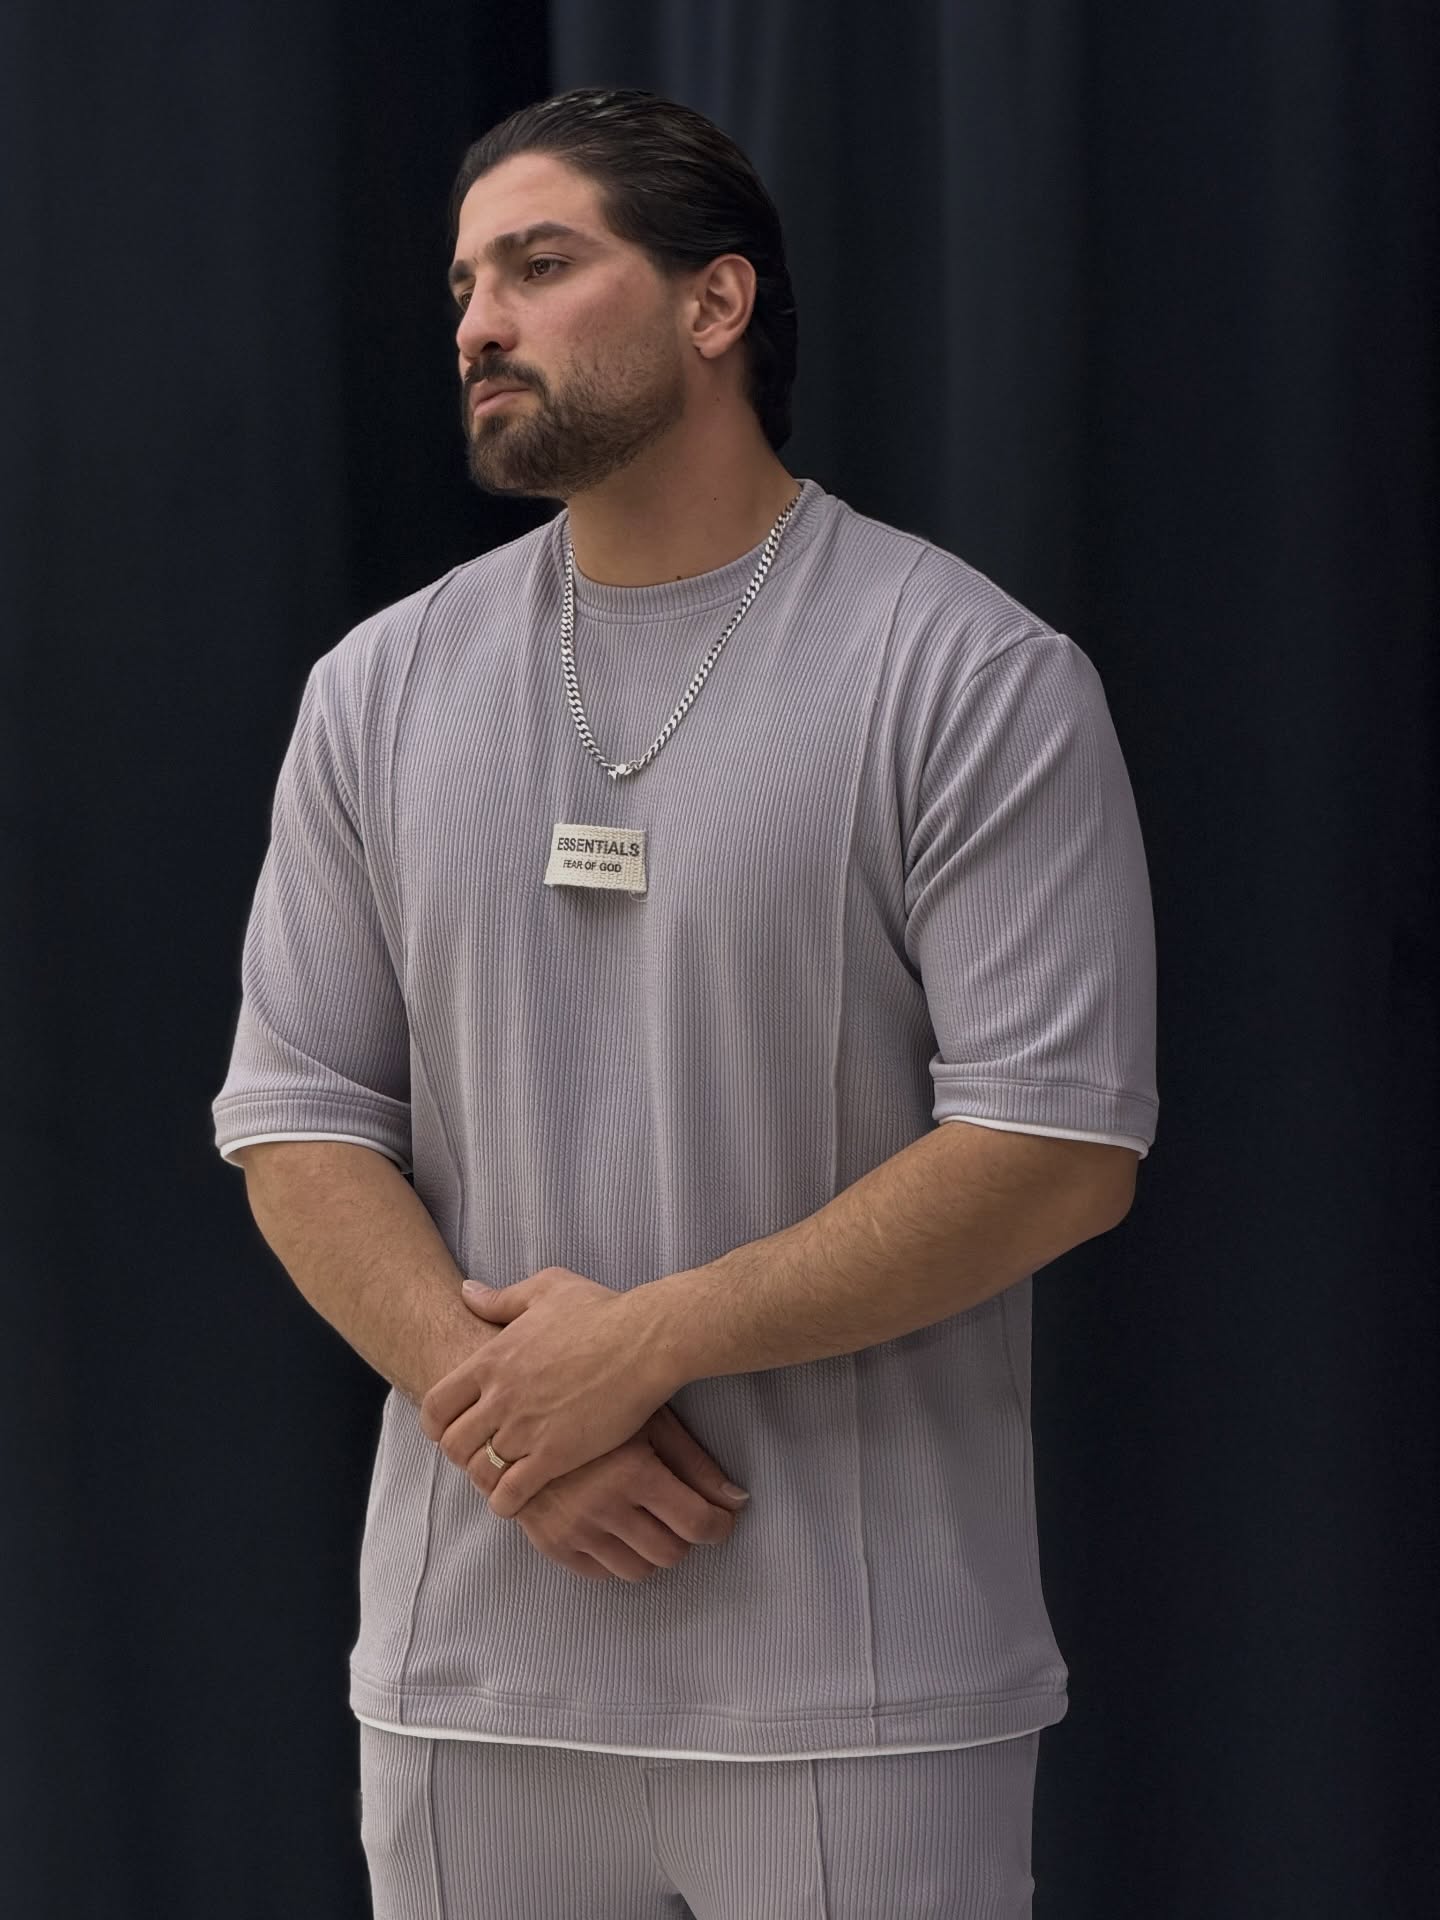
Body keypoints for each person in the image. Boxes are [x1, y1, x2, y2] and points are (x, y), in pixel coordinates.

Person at [212, 86, 1157, 1920]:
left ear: (714, 303)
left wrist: (642, 1345)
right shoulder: (379, 688)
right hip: (471, 1678)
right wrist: (510, 1420)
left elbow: (1055, 1147)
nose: (478, 322)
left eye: (538, 266)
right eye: (465, 283)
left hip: (859, 1692)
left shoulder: (965, 673)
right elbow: (296, 1116)